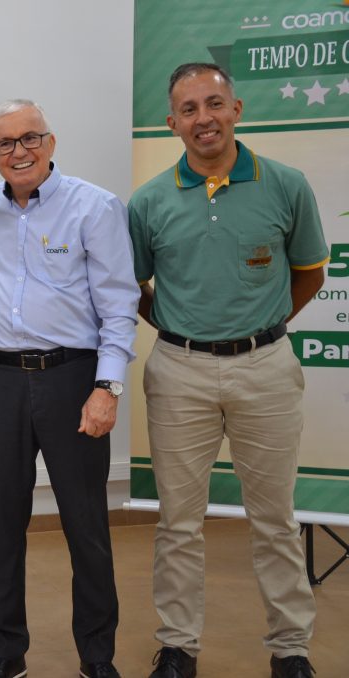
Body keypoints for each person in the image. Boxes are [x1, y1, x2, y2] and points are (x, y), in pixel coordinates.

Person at [128, 63, 328, 678]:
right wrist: (191, 334)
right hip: (179, 371)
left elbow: (310, 273)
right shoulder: (149, 201)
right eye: (188, 109)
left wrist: (257, 328)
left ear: (237, 109)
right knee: (179, 523)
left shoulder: (286, 185)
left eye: (213, 103)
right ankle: (178, 646)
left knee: (273, 520)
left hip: (266, 368)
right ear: (172, 123)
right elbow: (134, 288)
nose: (203, 118)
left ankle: (291, 650)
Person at [0, 100, 139, 678]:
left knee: (86, 527)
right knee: (1, 529)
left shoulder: (95, 206)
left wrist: (107, 386)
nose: (19, 152)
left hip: (72, 380)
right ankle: (5, 655)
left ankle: (97, 657)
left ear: (52, 141)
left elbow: (119, 306)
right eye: (5, 144)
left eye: (29, 138)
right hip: (0, 381)